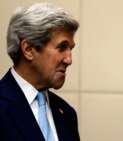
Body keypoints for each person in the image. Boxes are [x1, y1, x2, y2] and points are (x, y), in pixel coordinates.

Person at [0, 3, 80, 141]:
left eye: (70, 49)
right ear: (28, 49)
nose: (69, 60)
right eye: (62, 48)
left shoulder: (67, 113)